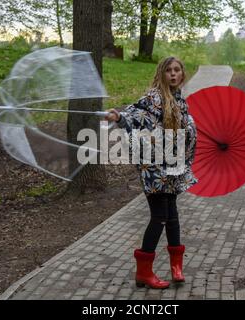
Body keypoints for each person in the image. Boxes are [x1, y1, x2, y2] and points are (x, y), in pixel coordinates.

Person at [105, 57, 198, 289]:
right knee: (159, 217)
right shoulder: (154, 98)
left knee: (172, 216)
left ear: (182, 74)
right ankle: (144, 272)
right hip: (154, 168)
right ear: (161, 73)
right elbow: (135, 115)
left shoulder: (179, 100)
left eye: (177, 70)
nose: (173, 74)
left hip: (173, 166)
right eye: (169, 70)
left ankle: (177, 267)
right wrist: (118, 117)